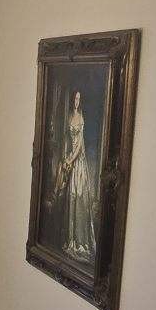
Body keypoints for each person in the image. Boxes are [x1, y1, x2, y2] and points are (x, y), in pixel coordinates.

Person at [53, 90, 96, 261]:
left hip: (78, 161)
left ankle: (80, 242)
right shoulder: (69, 115)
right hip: (70, 157)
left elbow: (80, 145)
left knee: (78, 196)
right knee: (70, 197)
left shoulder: (81, 118)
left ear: (81, 100)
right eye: (75, 98)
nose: (77, 101)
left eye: (79, 98)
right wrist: (65, 157)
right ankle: (70, 239)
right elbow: (67, 140)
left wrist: (71, 159)